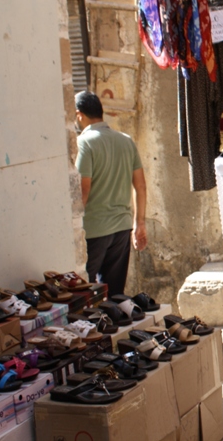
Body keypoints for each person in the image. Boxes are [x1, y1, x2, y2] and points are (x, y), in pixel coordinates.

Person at [75, 91, 147, 296]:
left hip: (93, 230)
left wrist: (72, 227)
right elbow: (140, 186)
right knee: (115, 295)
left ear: (79, 115)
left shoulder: (85, 143)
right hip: (122, 229)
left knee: (85, 294)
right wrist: (139, 223)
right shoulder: (126, 141)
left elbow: (84, 189)